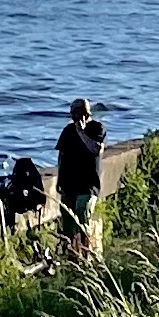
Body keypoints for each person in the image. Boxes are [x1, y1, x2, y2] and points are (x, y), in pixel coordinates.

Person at [55, 97, 108, 259]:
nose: (73, 116)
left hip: (87, 184)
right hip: (69, 183)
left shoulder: (97, 128)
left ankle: (86, 253)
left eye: (76, 113)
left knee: (82, 213)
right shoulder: (68, 131)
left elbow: (96, 150)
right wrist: (59, 179)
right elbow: (61, 155)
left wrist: (81, 132)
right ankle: (70, 254)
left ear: (85, 113)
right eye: (72, 113)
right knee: (67, 219)